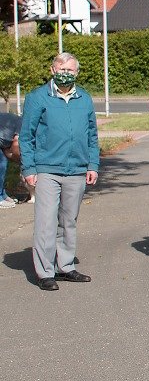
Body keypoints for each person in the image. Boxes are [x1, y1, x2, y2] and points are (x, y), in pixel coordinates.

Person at [22, 52, 99, 291]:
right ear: (52, 70)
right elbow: (26, 136)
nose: (66, 73)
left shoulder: (84, 99)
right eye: (61, 68)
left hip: (76, 169)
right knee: (46, 222)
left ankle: (65, 266)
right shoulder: (38, 98)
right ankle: (45, 272)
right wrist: (29, 167)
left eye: (71, 70)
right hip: (47, 169)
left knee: (68, 221)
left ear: (77, 73)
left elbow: (92, 135)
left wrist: (92, 165)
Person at [0, 112, 23, 208]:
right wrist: (19, 160)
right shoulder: (23, 123)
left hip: (2, 141)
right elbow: (15, 143)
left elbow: (6, 148)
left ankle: (2, 194)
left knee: (3, 165)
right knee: (1, 166)